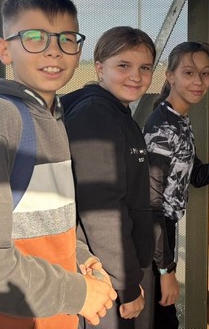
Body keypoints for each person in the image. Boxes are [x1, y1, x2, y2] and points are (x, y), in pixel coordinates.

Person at [0, 0, 117, 329]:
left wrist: (80, 258)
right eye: (35, 37)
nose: (54, 51)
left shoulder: (52, 117)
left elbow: (42, 227)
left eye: (66, 39)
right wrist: (76, 293)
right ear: (4, 50)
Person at [141, 41, 209, 329]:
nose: (199, 81)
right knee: (163, 322)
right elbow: (151, 204)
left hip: (163, 234)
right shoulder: (164, 127)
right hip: (153, 239)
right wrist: (165, 270)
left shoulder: (177, 120)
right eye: (189, 73)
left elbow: (196, 175)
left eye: (205, 73)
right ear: (170, 76)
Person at [61, 26, 156, 328]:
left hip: (112, 270)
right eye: (123, 66)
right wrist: (126, 286)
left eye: (145, 68)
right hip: (101, 276)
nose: (136, 76)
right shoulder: (95, 116)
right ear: (100, 68)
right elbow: (101, 210)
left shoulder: (115, 111)